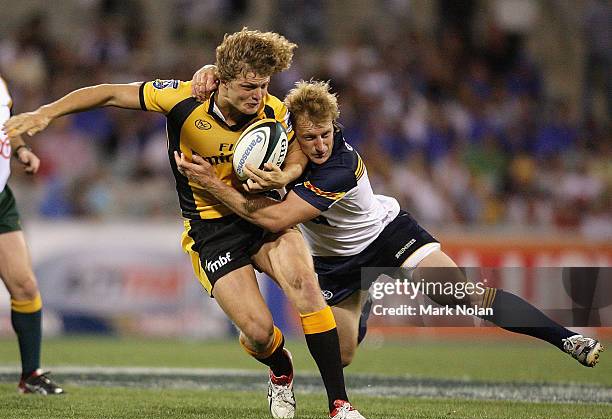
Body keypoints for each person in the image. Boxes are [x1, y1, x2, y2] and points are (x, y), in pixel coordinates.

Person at [4, 29, 370, 419]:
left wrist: (288, 174)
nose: (258, 95)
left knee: (306, 287)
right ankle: (280, 369)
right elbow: (108, 92)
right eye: (248, 86)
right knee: (260, 332)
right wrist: (47, 113)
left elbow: (300, 143)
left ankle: (339, 405)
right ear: (223, 81)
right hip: (212, 231)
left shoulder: (275, 110)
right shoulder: (182, 99)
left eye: (263, 86)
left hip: (263, 216)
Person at [175, 79, 604, 369]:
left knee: (456, 293)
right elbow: (240, 98)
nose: (320, 144)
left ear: (334, 128)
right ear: (292, 132)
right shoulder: (280, 143)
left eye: (326, 134)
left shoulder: (339, 165)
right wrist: (209, 74)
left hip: (386, 234)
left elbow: (275, 216)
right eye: (310, 137)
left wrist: (215, 185)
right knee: (339, 356)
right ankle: (365, 298)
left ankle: (567, 338)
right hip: (331, 261)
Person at [0, 75, 64, 394]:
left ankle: (31, 375)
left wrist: (21, 149)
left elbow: (6, 125)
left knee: (24, 286)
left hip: (0, 200)